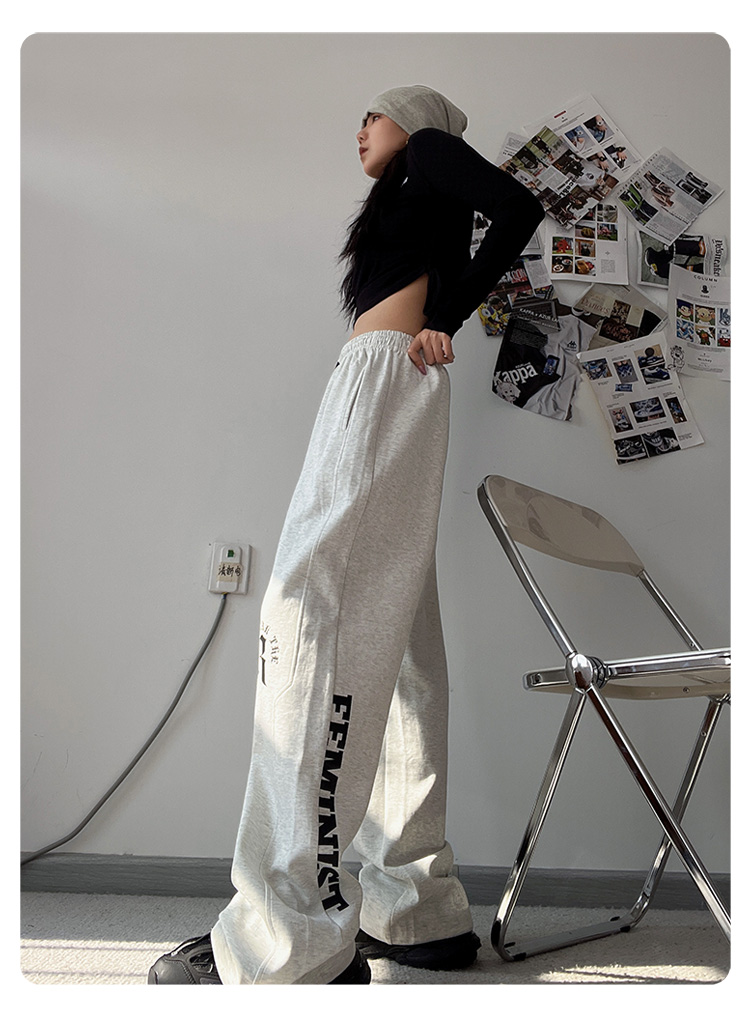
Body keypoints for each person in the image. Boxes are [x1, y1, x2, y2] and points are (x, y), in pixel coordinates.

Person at [148, 84, 544, 986]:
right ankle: (414, 906)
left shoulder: (429, 151)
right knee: (395, 640)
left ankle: (290, 934)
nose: (359, 129)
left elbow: (519, 208)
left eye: (374, 112)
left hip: (382, 380)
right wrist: (438, 313)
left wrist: (445, 315)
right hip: (389, 384)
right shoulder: (416, 194)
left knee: (310, 623)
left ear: (416, 119)